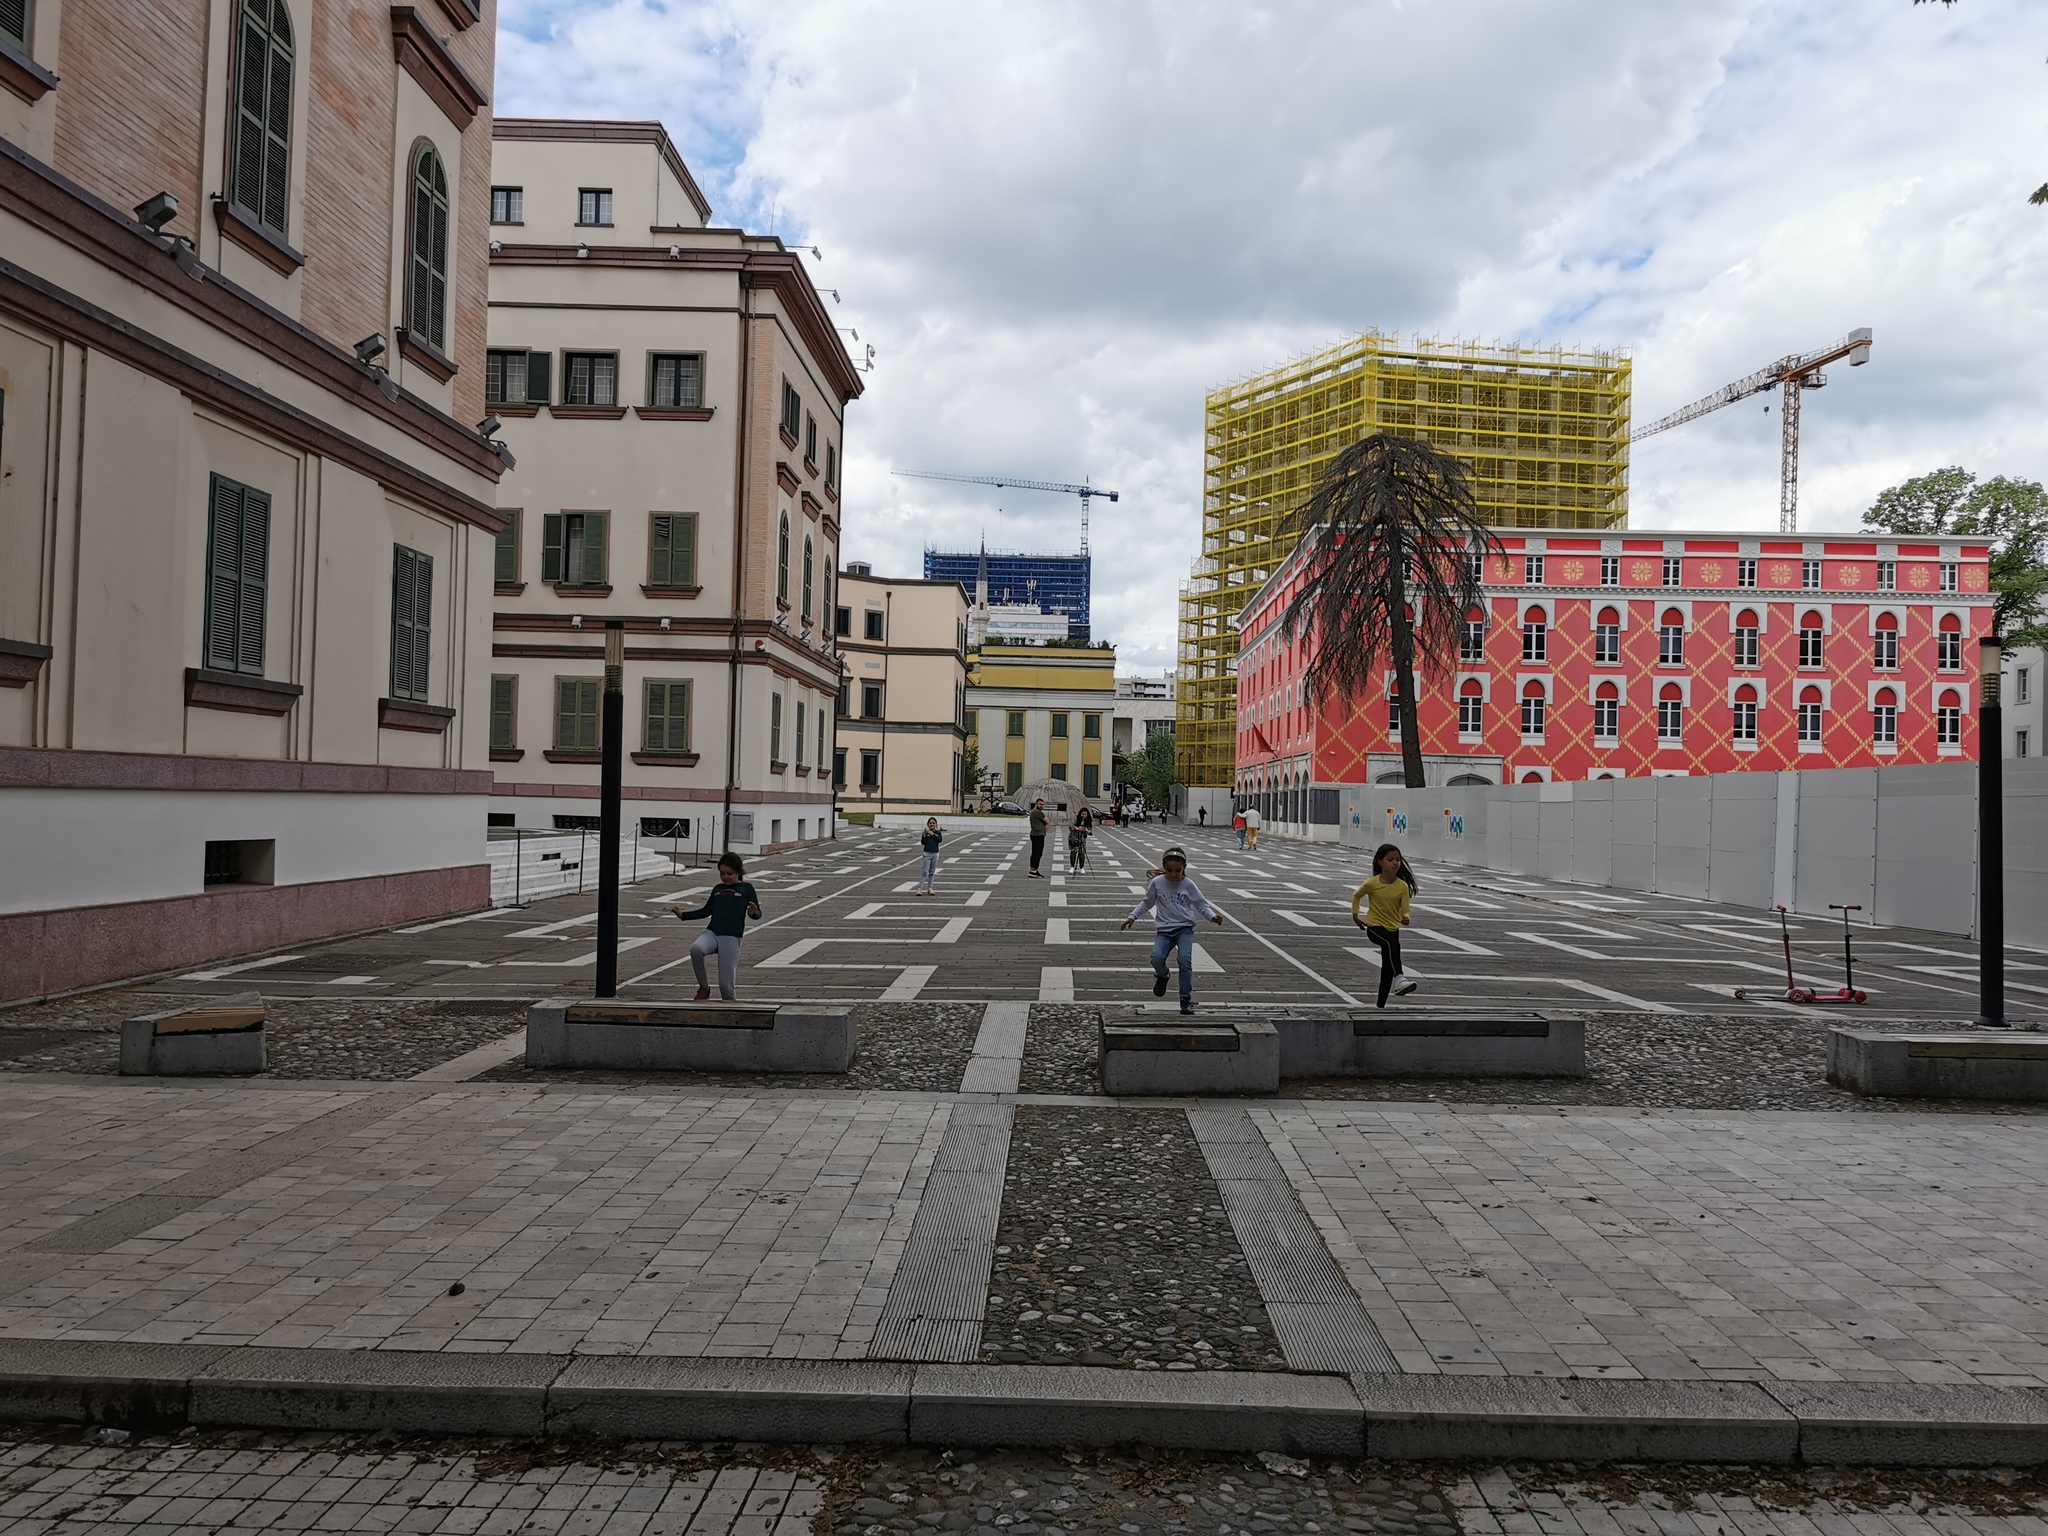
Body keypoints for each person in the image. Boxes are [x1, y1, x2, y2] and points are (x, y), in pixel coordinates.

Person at [1122, 845, 1224, 1015]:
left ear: (1184, 868)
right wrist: (1132, 916)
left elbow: (1201, 904)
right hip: (1164, 930)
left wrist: (1212, 916)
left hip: (1184, 929)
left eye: (1178, 871)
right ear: (1163, 867)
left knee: (1184, 960)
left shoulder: (1188, 884)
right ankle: (1163, 975)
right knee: (1156, 958)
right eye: (1169, 870)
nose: (1174, 874)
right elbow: (1147, 902)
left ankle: (1185, 998)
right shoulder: (1157, 883)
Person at [669, 851, 762, 1001]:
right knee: (696, 949)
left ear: (739, 872)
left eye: (729, 873)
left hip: (731, 937)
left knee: (726, 987)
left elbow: (757, 913)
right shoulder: (718, 889)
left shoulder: (747, 888)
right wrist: (683, 915)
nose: (725, 877)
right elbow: (706, 910)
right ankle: (704, 987)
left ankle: (731, 1011)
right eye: (722, 873)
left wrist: (753, 911)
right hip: (712, 932)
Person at [1352, 843, 1419, 1008]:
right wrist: (1356, 916)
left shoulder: (1402, 886)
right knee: (1392, 944)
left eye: (1398, 860)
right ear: (1380, 862)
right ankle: (1400, 978)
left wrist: (1406, 917)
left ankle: (1380, 1005)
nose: (1395, 863)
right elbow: (1357, 895)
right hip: (1374, 927)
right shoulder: (1372, 883)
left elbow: (1405, 909)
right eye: (1390, 860)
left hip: (1393, 928)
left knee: (1388, 967)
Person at [916, 817, 944, 894]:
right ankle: (919, 888)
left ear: (936, 824)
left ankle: (930, 888)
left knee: (932, 872)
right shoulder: (926, 833)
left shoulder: (938, 833)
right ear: (928, 824)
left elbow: (939, 840)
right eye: (930, 823)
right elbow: (923, 842)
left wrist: (933, 834)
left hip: (935, 853)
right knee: (925, 871)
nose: (932, 824)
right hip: (927, 853)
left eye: (933, 823)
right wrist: (924, 835)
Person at [1028, 800, 1048, 877]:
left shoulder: (1033, 812)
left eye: (1042, 804)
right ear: (1036, 804)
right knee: (1037, 853)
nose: (1041, 806)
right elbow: (1047, 821)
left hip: (1035, 834)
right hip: (1038, 835)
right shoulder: (1037, 812)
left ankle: (1032, 869)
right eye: (1040, 804)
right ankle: (1034, 871)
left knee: (1035, 852)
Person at [1068, 806, 1091, 872]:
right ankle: (1072, 867)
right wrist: (1077, 828)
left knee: (1082, 852)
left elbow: (1090, 832)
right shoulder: (1076, 819)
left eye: (1085, 814)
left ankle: (1082, 867)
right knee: (1073, 851)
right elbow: (1070, 825)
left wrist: (1085, 830)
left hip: (1082, 839)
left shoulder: (1088, 821)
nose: (1084, 816)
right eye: (1083, 814)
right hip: (1074, 838)